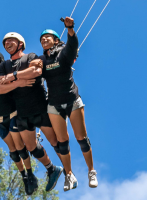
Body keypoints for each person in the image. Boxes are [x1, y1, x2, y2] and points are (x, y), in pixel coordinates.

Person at [0, 32, 63, 194]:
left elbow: (35, 72)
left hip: (40, 107)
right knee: (31, 147)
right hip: (23, 112)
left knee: (56, 142)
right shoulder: (4, 66)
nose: (7, 44)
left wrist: (12, 77)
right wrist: (19, 83)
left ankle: (69, 172)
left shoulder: (30, 56)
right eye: (5, 42)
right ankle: (52, 169)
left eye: (11, 41)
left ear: (20, 44)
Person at [38, 17, 99, 190]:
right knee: (62, 143)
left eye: (47, 37)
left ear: (56, 40)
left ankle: (91, 171)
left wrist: (70, 28)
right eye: (42, 39)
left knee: (81, 139)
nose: (44, 39)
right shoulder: (42, 61)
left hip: (72, 100)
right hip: (54, 104)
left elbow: (72, 45)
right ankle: (69, 175)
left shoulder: (64, 53)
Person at [0, 50, 36, 191]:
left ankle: (30, 173)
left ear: (0, 62)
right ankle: (24, 176)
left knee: (20, 147)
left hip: (13, 115)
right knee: (13, 151)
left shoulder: (5, 76)